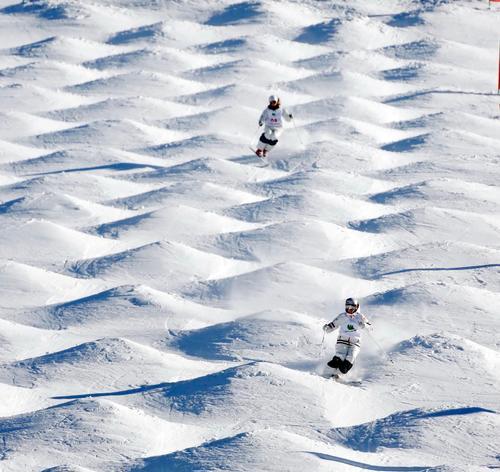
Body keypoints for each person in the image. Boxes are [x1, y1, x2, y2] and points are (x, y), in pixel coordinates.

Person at [322, 298, 371, 379]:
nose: (349, 309)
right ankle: (326, 373)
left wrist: (365, 326)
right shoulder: (342, 316)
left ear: (357, 307)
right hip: (342, 340)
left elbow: (370, 328)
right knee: (339, 357)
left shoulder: (360, 317)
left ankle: (336, 374)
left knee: (350, 359)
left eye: (352, 307)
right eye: (347, 307)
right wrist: (326, 328)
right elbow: (331, 327)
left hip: (355, 343)